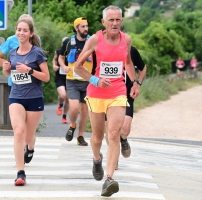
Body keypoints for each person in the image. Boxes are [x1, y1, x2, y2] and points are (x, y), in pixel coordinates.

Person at [74, 5, 140, 197]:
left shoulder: (126, 39)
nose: (115, 23)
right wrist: (95, 79)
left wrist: (134, 82)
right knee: (96, 137)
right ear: (103, 22)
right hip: (96, 93)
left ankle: (109, 179)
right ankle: (96, 159)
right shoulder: (95, 40)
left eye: (118, 19)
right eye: (111, 20)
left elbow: (127, 62)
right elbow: (78, 67)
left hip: (118, 91)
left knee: (113, 134)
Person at [2, 19, 50, 186]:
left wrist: (29, 70)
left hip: (34, 98)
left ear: (30, 34)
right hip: (16, 96)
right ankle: (20, 173)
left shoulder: (37, 53)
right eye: (18, 30)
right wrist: (7, 70)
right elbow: (11, 76)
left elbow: (46, 77)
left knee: (28, 137)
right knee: (18, 132)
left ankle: (31, 146)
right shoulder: (12, 53)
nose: (21, 33)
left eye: (24, 30)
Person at [106, 46, 147, 170]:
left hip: (126, 94)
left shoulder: (131, 50)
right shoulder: (102, 48)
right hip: (107, 95)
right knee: (111, 130)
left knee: (124, 128)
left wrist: (138, 83)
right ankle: (114, 159)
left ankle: (123, 139)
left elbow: (143, 68)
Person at [58, 17, 93, 146]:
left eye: (86, 26)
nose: (86, 29)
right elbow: (61, 58)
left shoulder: (92, 41)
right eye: (82, 26)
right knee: (73, 108)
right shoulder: (68, 42)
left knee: (84, 111)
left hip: (87, 81)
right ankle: (72, 125)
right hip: (72, 80)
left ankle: (80, 136)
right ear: (76, 28)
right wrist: (63, 66)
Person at [0, 14, 37, 88]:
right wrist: (11, 65)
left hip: (33, 84)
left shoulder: (37, 40)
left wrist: (28, 69)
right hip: (15, 84)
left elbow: (39, 61)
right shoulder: (11, 40)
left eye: (28, 25)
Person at [52, 37, 69, 124]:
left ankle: (64, 116)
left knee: (68, 99)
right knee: (63, 95)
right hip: (60, 77)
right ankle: (60, 104)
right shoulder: (58, 52)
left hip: (70, 78)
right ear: (62, 44)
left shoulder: (72, 52)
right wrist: (54, 66)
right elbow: (54, 60)